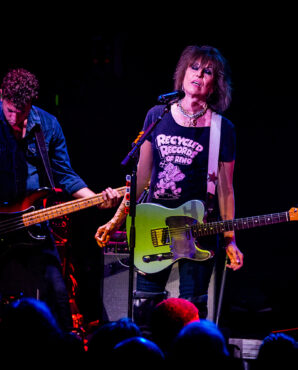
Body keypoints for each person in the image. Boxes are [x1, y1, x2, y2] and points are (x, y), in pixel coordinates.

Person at [0, 68, 120, 332]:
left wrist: (95, 199)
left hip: (33, 223)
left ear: (32, 103)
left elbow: (65, 175)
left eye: (22, 111)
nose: (15, 118)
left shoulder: (47, 126)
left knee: (58, 298)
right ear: (2, 96)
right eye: (10, 110)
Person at [95, 45, 244, 319]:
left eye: (207, 71)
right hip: (154, 226)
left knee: (191, 313)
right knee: (145, 308)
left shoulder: (223, 129)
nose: (198, 74)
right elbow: (140, 179)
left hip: (198, 230)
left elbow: (226, 189)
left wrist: (230, 240)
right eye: (194, 67)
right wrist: (116, 220)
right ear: (183, 73)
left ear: (215, 85)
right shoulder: (158, 115)